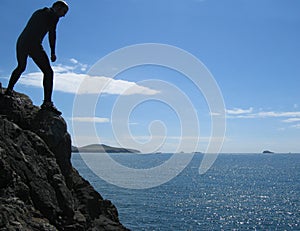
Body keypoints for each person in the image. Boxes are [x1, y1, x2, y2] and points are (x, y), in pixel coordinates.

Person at [5, 1, 69, 115]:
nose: (63, 15)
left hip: (22, 42)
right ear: (58, 7)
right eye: (63, 12)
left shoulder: (40, 12)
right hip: (32, 43)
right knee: (48, 72)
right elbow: (52, 35)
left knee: (21, 67)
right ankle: (47, 103)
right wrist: (53, 52)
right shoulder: (51, 16)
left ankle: (9, 90)